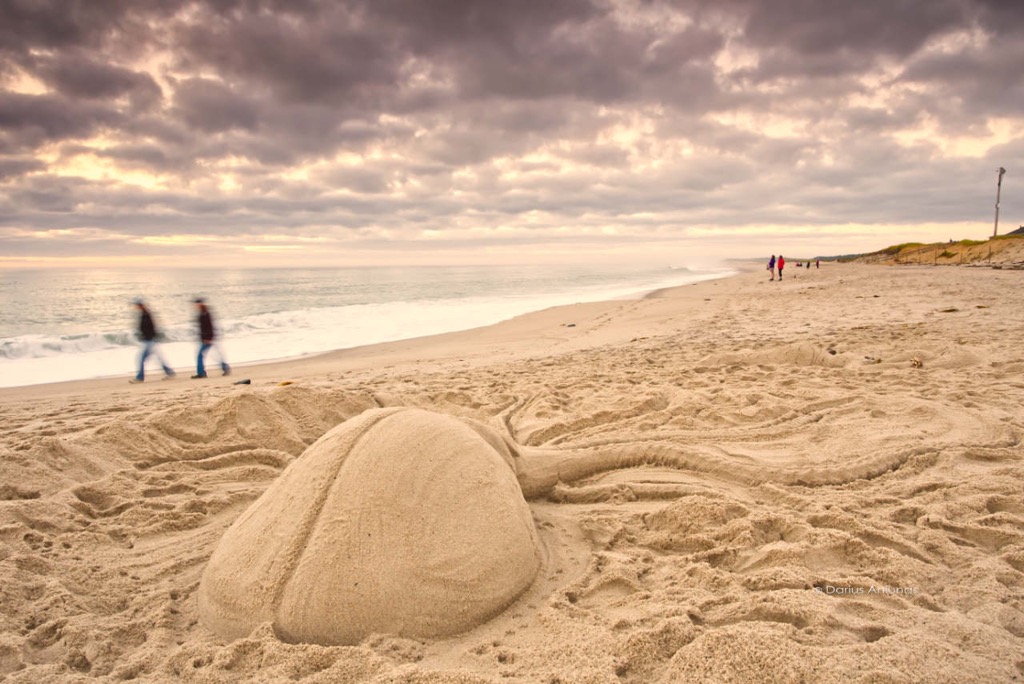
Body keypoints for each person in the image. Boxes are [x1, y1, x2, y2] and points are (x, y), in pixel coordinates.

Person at [130, 299, 175, 383]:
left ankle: (140, 378)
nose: (136, 307)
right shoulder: (144, 314)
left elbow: (151, 327)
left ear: (141, 305)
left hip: (149, 340)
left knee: (141, 359)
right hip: (149, 340)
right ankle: (169, 372)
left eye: (137, 305)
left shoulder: (146, 315)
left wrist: (148, 336)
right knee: (156, 358)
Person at [193, 298, 230, 379]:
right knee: (214, 355)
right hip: (207, 338)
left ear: (200, 304)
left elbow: (209, 326)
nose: (195, 306)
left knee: (200, 355)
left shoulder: (205, 314)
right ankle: (225, 367)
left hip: (207, 338)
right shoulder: (203, 313)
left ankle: (201, 373)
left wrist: (208, 338)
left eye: (196, 304)